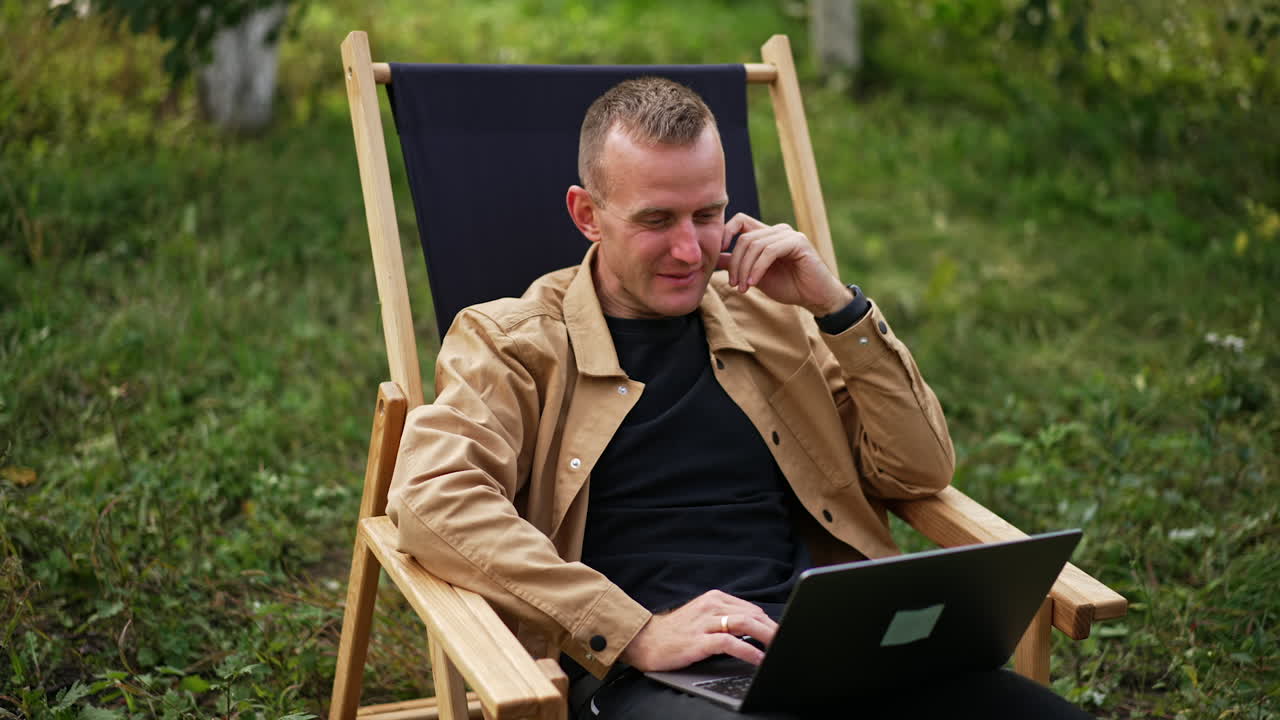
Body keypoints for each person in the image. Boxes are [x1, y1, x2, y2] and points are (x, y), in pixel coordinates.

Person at [387, 77, 1089, 719]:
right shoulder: (513, 343)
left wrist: (837, 310)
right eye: (657, 220)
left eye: (709, 214)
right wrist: (633, 630)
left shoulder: (778, 319)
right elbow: (432, 497)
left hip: (822, 650)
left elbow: (918, 471)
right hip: (649, 677)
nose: (691, 251)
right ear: (586, 214)